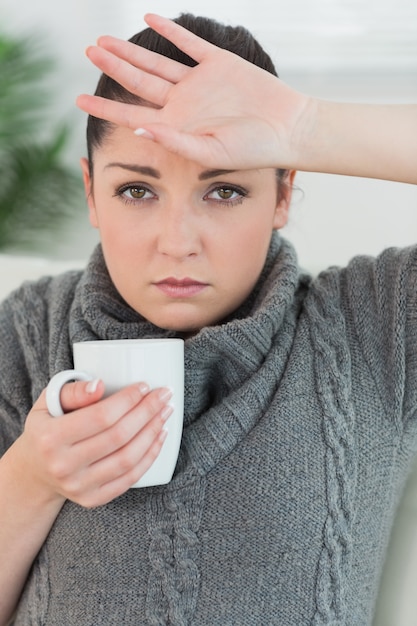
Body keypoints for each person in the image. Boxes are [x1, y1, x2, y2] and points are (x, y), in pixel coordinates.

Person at [0, 12, 416, 626]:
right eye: (137, 191)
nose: (177, 242)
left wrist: (305, 125)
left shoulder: (374, 325)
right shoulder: (28, 333)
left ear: (281, 194)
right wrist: (32, 478)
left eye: (224, 191)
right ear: (92, 192)